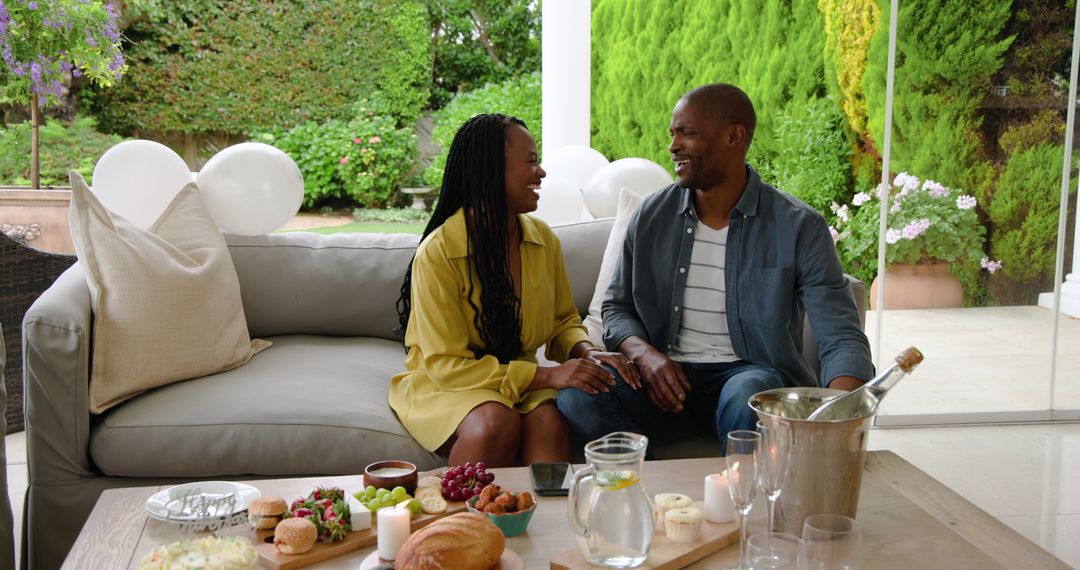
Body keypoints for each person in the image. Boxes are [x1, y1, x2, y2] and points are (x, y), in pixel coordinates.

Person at [557, 84, 874, 453]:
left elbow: (840, 333)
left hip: (748, 376)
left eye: (687, 133)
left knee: (750, 393)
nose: (673, 145)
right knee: (578, 396)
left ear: (734, 136)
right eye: (673, 133)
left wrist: (839, 414)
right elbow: (616, 307)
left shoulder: (797, 226)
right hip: (660, 378)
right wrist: (645, 355)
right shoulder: (650, 216)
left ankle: (735, 497)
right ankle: (661, 490)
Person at [391, 114, 640, 468]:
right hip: (445, 385)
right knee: (495, 423)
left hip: (516, 380)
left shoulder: (542, 240)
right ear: (491, 170)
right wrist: (548, 375)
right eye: (532, 161)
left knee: (549, 422)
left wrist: (585, 351)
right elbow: (446, 366)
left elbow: (561, 321)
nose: (541, 173)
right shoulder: (439, 252)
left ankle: (547, 522)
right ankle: (461, 523)